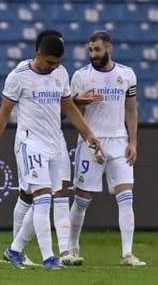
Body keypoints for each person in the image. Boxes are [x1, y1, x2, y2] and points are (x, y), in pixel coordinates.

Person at [0, 34, 102, 271]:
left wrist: (88, 134)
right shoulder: (19, 77)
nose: (53, 67)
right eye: (49, 62)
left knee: (52, 197)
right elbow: (3, 114)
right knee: (43, 198)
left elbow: (68, 106)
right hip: (30, 143)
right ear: (38, 54)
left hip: (55, 142)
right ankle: (49, 259)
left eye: (57, 63)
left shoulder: (61, 73)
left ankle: (14, 250)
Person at [67, 32, 146, 266]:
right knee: (82, 199)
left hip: (119, 142)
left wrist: (133, 142)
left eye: (97, 50)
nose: (93, 55)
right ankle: (72, 248)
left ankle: (127, 254)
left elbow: (131, 110)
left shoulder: (127, 74)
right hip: (91, 143)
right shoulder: (81, 76)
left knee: (126, 197)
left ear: (109, 48)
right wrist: (81, 101)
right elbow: (70, 110)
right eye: (90, 50)